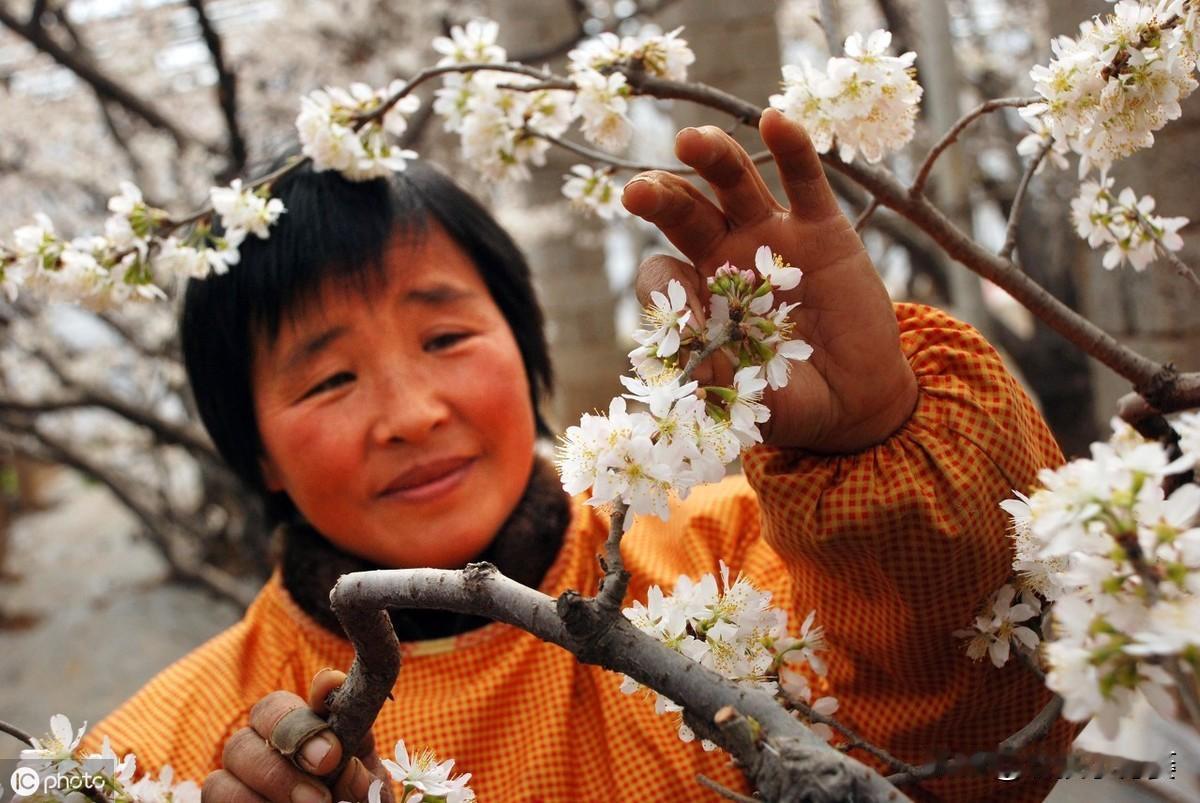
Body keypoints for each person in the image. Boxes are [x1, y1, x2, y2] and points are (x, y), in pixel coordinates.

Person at [79, 109, 1074, 801]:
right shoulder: (152, 753)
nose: (413, 412)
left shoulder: (741, 562)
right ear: (254, 450)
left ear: (526, 347)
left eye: (446, 338)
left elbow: (981, 748)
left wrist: (879, 432)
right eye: (329, 380)